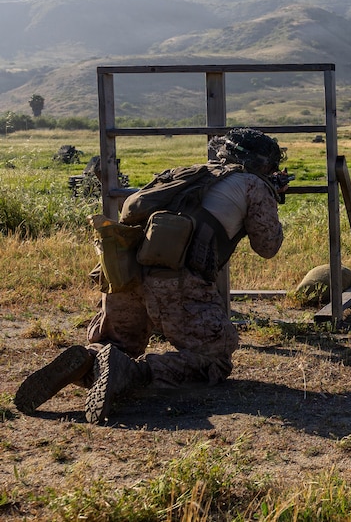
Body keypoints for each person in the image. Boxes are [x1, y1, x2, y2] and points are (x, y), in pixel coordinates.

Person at [16, 128, 288, 423]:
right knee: (213, 359)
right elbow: (267, 246)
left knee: (119, 345)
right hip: (175, 281)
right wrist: (272, 193)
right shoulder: (252, 185)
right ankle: (133, 373)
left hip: (123, 272)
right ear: (264, 165)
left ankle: (89, 359)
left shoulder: (188, 174)